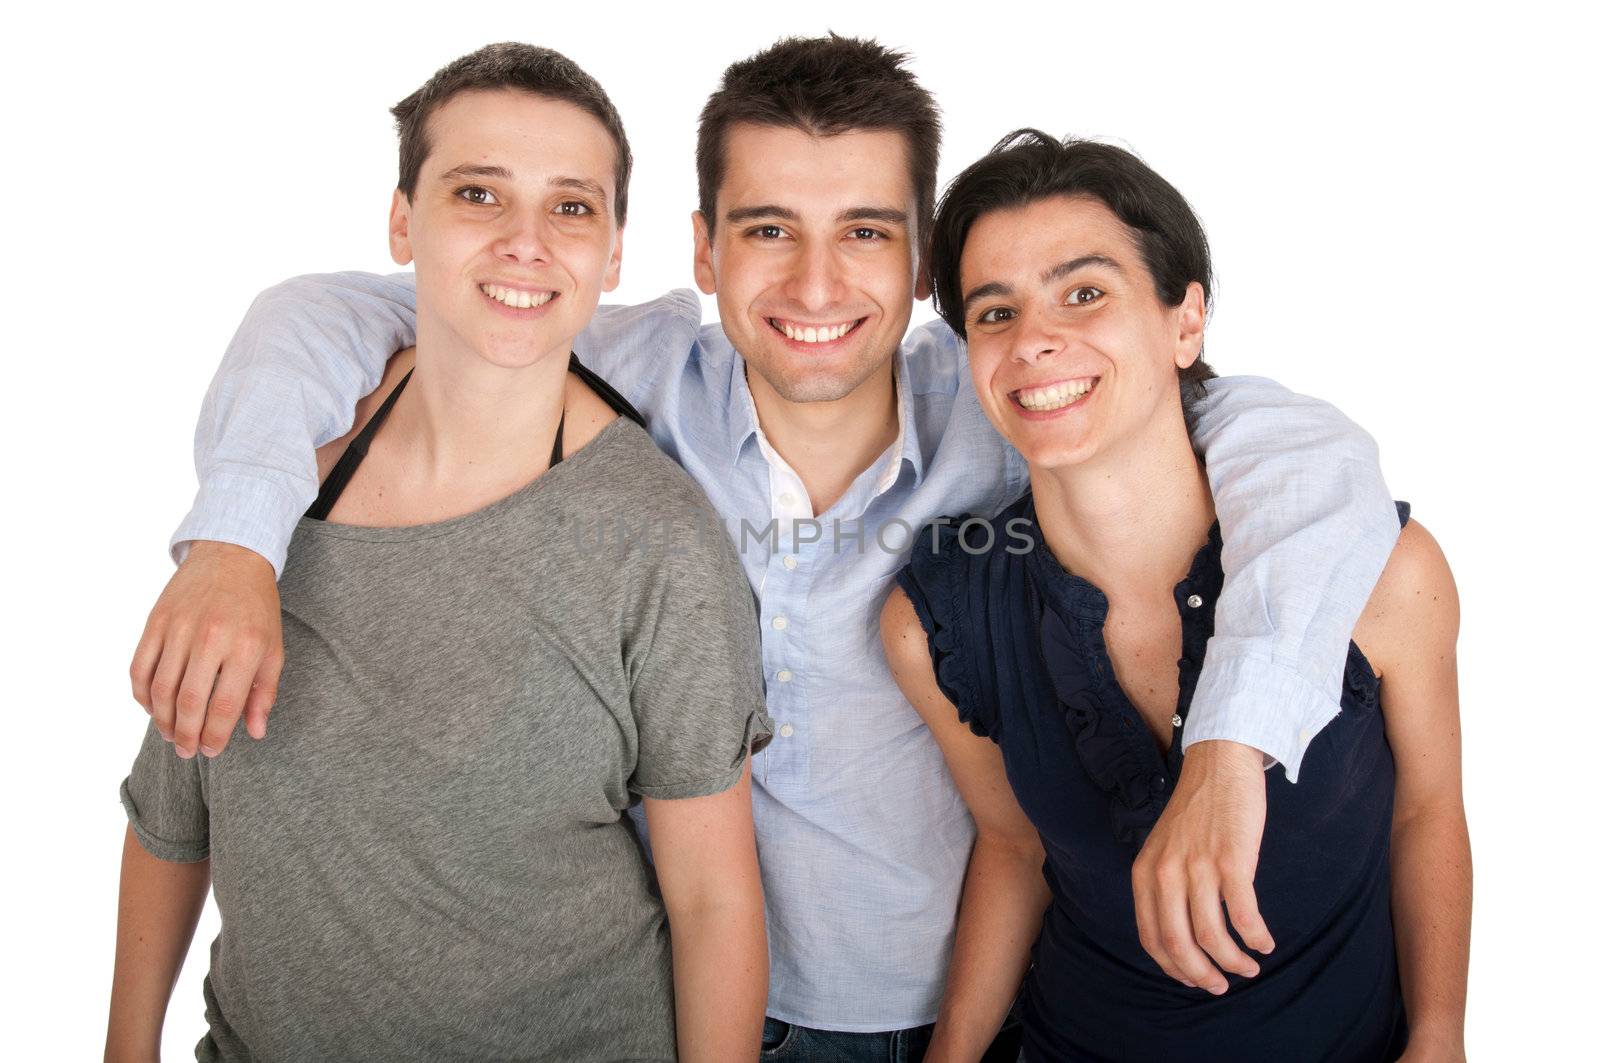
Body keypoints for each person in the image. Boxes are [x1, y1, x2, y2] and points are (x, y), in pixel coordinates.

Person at [128, 37, 1403, 1058]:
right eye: (764, 228)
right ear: (698, 248)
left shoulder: (1011, 393)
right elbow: (332, 312)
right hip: (671, 1000)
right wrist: (233, 542)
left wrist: (1234, 747)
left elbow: (1302, 457)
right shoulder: (632, 374)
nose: (810, 283)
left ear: (920, 272)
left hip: (962, 999)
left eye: (864, 230)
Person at [106, 44, 771, 1063]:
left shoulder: (656, 538)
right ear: (400, 222)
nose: (526, 243)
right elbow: (171, 815)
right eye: (478, 193)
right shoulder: (270, 502)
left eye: (572, 207)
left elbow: (715, 898)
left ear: (616, 251)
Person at [882, 131, 1471, 1062]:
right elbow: (1013, 847)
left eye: (1085, 293)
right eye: (995, 312)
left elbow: (1427, 809)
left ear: (1185, 322)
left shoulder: (1385, 574)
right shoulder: (938, 617)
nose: (1034, 340)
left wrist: (1439, 1034)